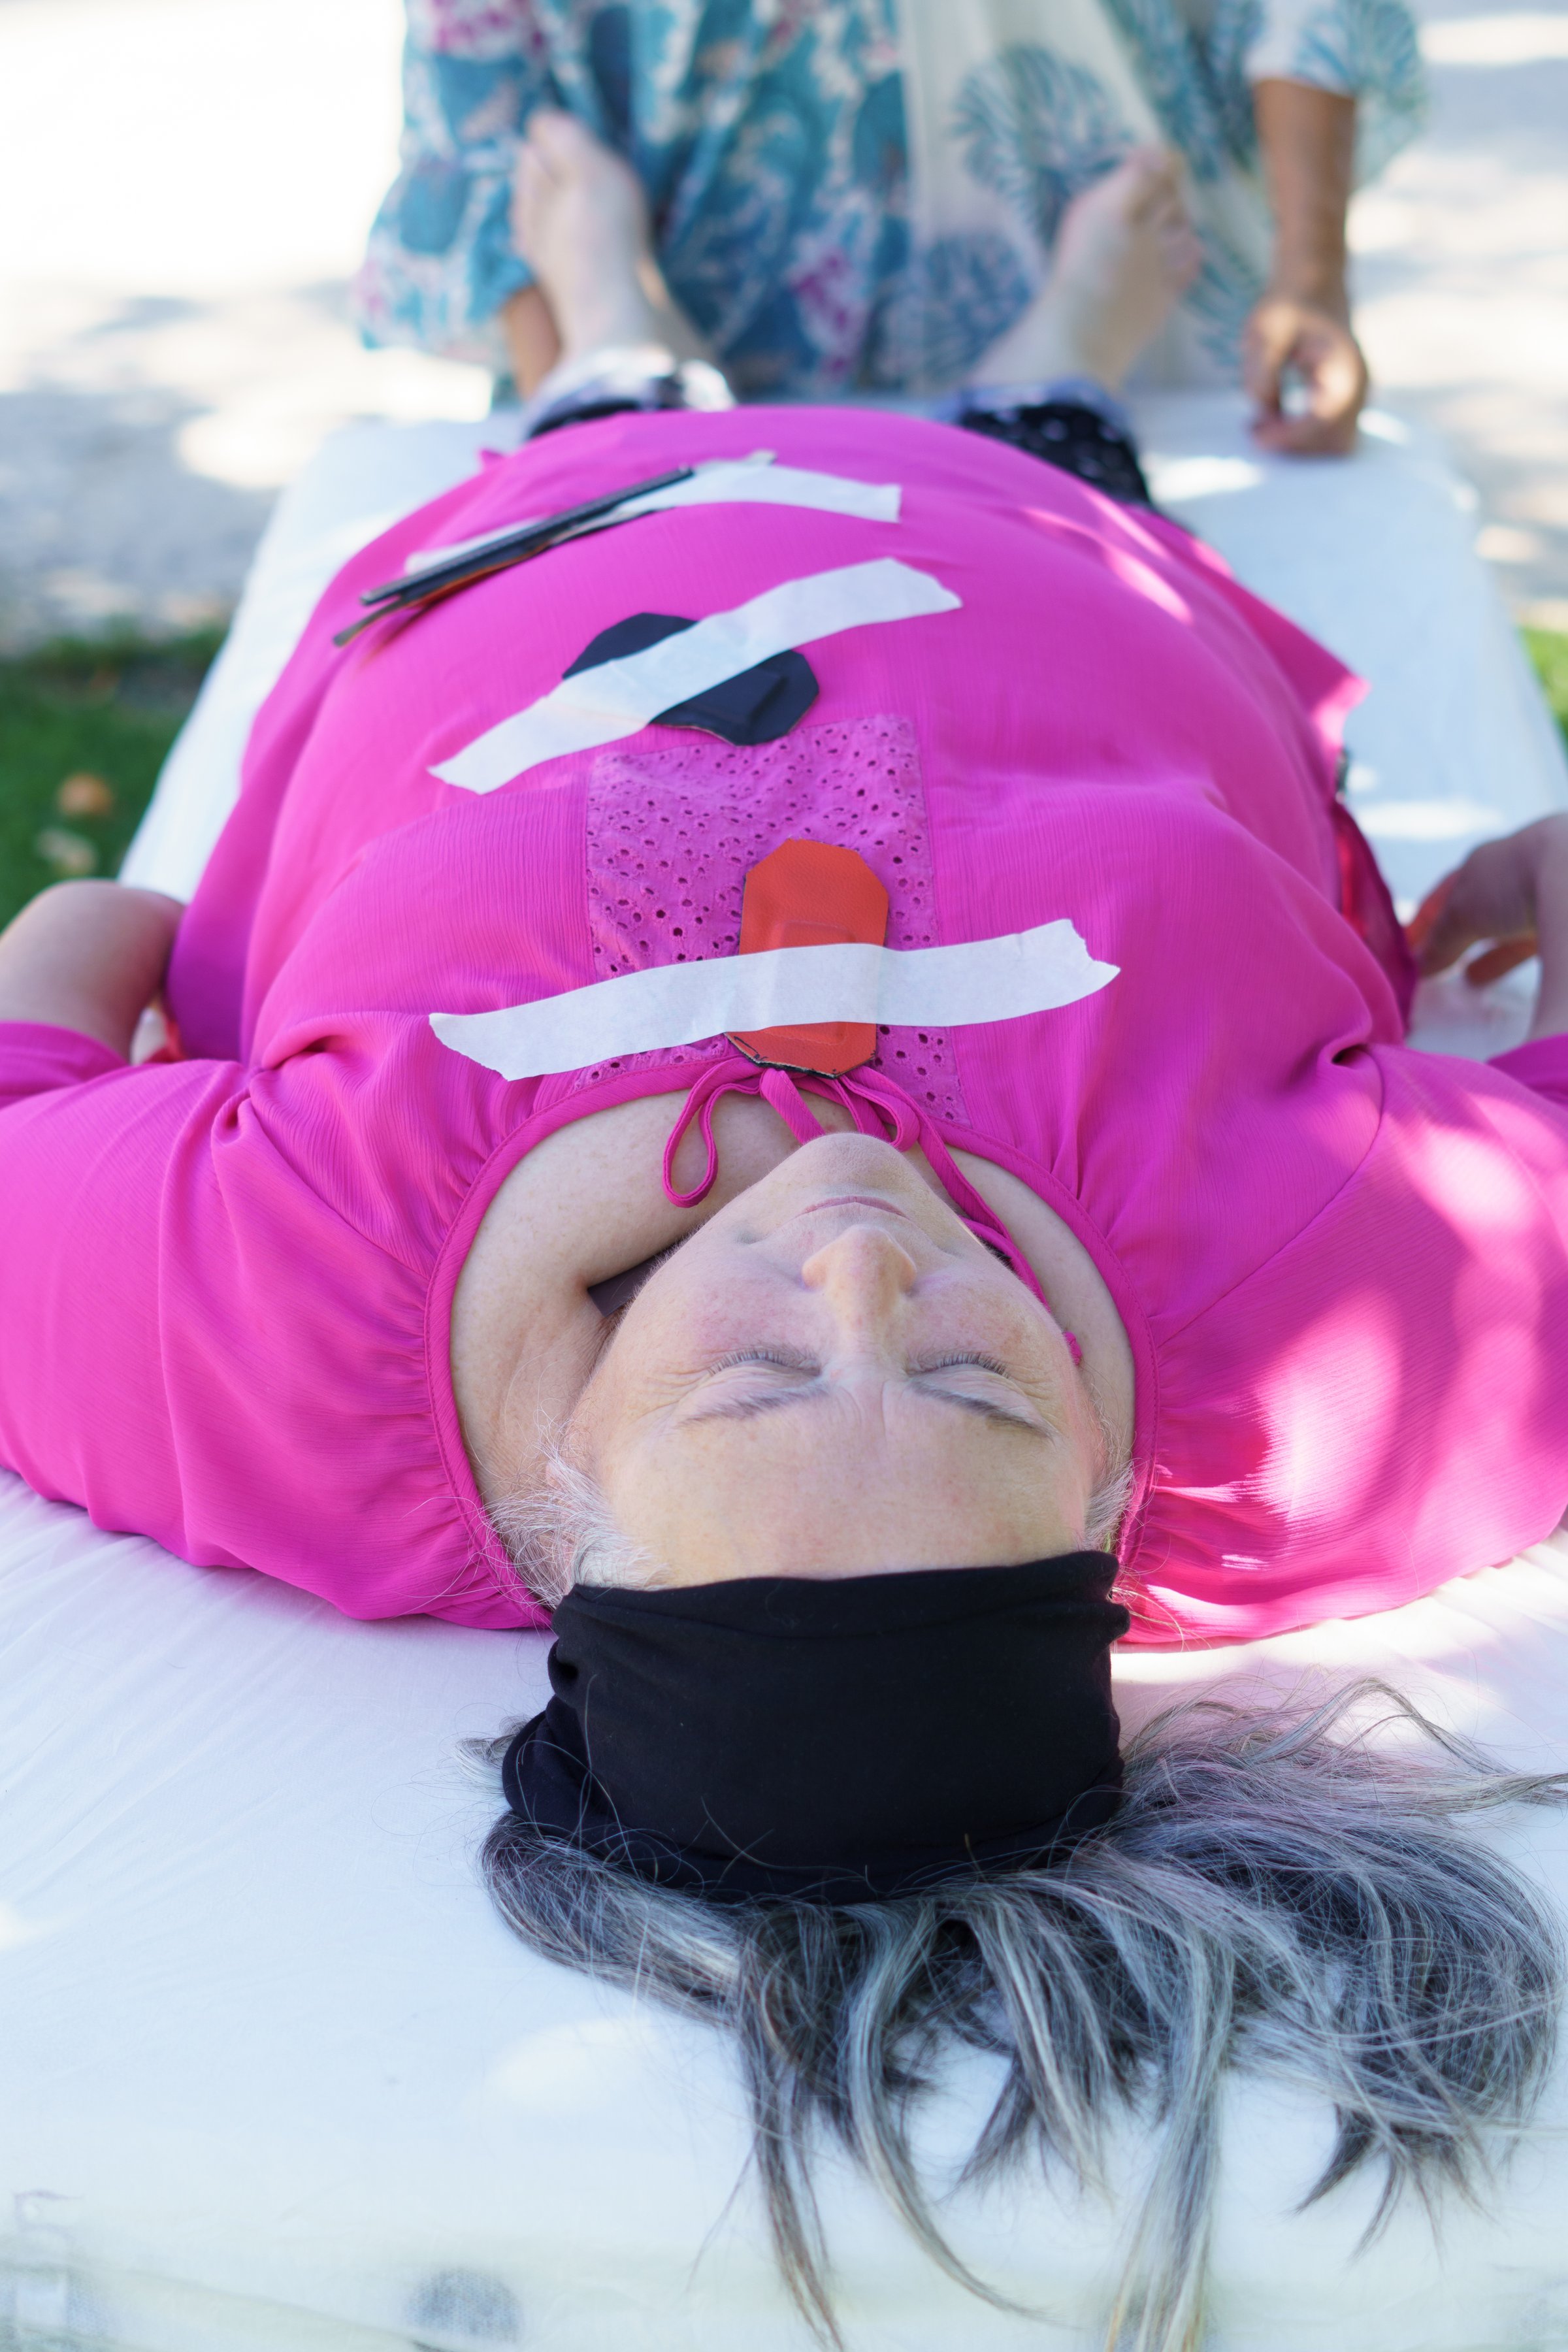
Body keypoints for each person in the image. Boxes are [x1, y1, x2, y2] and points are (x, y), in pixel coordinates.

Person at [3, 129, 1565, 2348]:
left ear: (569, 1512)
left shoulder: (272, 1335)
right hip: (1065, 554)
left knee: (603, 430)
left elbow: (27, 1063)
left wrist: (112, 934)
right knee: (1041, 463)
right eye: (976, 1377)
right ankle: (1054, 369)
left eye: (751, 1377)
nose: (862, 1267)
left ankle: (609, 327)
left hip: (550, 540)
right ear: (1109, 1501)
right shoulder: (1314, 1354)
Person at [353, 0, 1425, 454]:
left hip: (1149, 309)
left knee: (1070, 629)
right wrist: (597, 466)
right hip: (696, 294)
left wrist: (1310, 271)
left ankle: (621, 353)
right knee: (654, 653)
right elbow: (487, 92)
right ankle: (1050, 385)